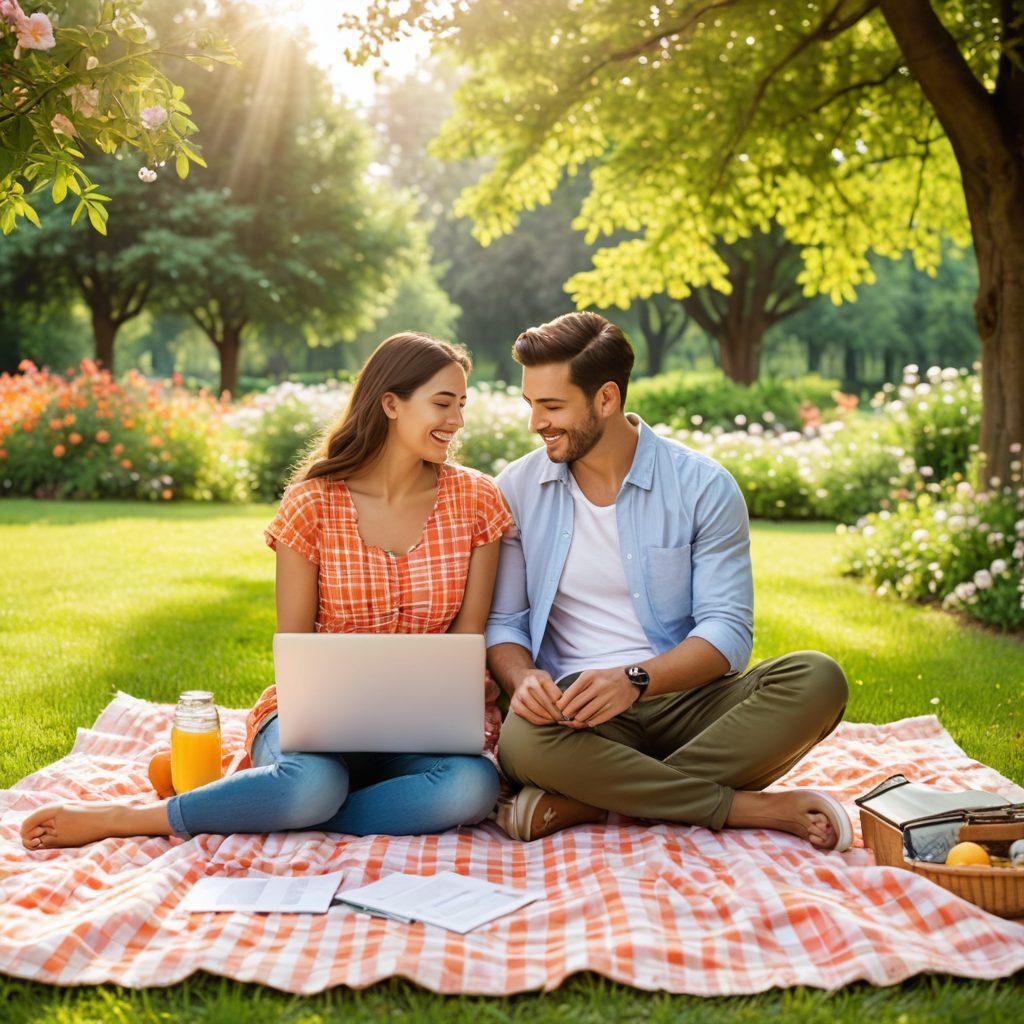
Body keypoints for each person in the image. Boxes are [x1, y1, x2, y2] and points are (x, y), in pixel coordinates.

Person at [21, 332, 513, 850]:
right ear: (391, 403)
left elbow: (466, 636)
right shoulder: (312, 506)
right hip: (320, 724)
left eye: (462, 404)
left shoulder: (476, 499)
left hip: (422, 726)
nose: (456, 420)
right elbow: (295, 645)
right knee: (313, 783)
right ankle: (130, 817)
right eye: (442, 403)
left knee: (471, 788)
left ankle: (265, 804)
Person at [486, 312, 853, 849]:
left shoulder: (703, 487)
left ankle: (585, 800)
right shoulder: (517, 488)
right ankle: (741, 807)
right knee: (522, 741)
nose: (535, 423)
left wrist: (633, 680)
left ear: (606, 398)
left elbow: (727, 632)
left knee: (818, 680)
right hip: (577, 713)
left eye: (552, 406)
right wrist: (523, 681)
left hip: (686, 702)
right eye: (531, 404)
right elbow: (506, 622)